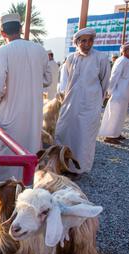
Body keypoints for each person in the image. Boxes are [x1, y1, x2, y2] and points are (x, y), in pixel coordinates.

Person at [0, 13, 52, 183]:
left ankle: (6, 193)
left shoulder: (3, 51)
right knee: (29, 151)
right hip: (34, 114)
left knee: (9, 153)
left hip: (11, 113)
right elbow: (47, 80)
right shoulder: (40, 50)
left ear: (2, 33)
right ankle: (28, 189)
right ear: (21, 29)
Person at [56, 27, 110, 176]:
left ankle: (79, 169)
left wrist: (98, 100)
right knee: (65, 130)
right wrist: (63, 97)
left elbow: (105, 82)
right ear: (77, 42)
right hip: (71, 102)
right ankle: (62, 162)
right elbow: (64, 81)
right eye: (84, 41)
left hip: (90, 103)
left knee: (85, 136)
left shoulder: (101, 58)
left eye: (90, 40)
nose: (87, 44)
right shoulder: (71, 58)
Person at [98, 42, 129, 145]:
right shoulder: (121, 60)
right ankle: (109, 136)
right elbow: (114, 76)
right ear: (125, 51)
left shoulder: (127, 61)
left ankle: (116, 133)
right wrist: (109, 91)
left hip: (124, 93)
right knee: (114, 114)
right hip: (118, 92)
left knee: (121, 115)